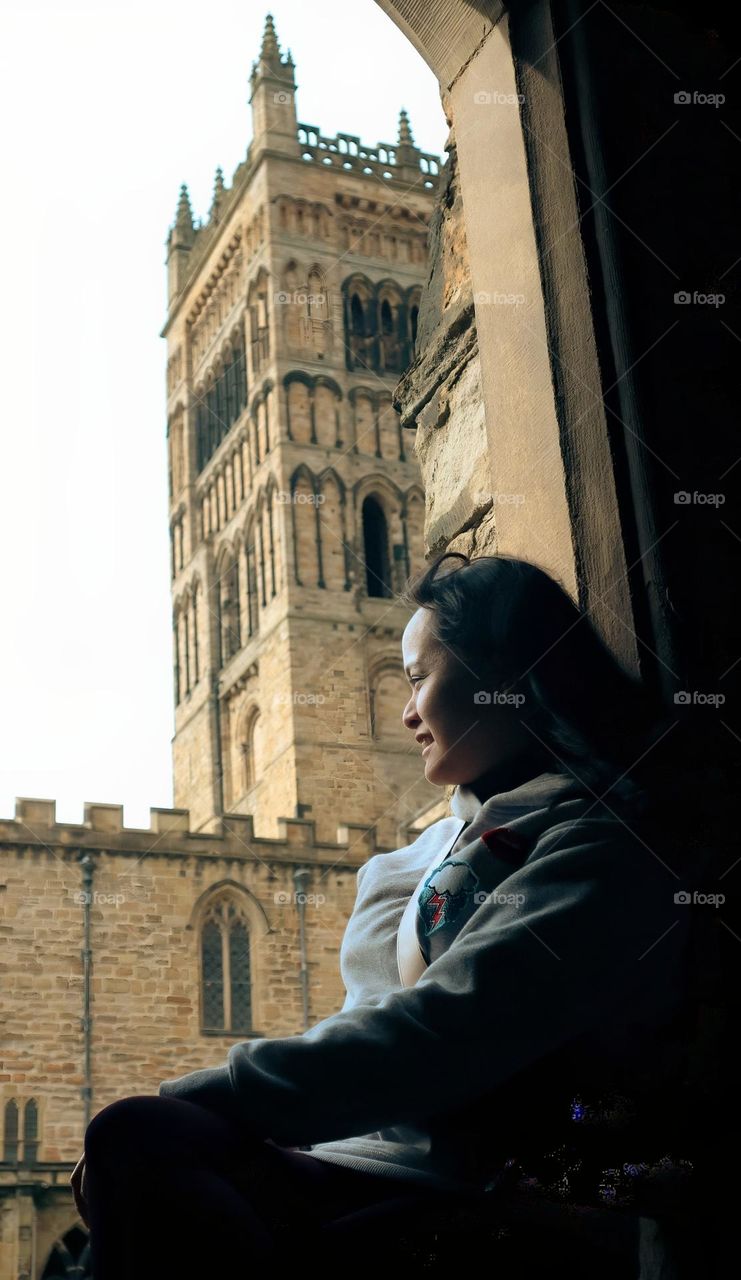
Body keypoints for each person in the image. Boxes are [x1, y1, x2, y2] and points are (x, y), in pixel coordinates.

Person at [72, 551, 708, 1277]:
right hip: (372, 1171)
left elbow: (449, 1030)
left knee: (140, 1135)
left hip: (506, 1193)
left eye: (418, 677)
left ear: (504, 676)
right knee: (141, 1147)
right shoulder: (424, 855)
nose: (406, 711)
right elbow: (370, 1015)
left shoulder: (597, 843)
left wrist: (206, 1097)